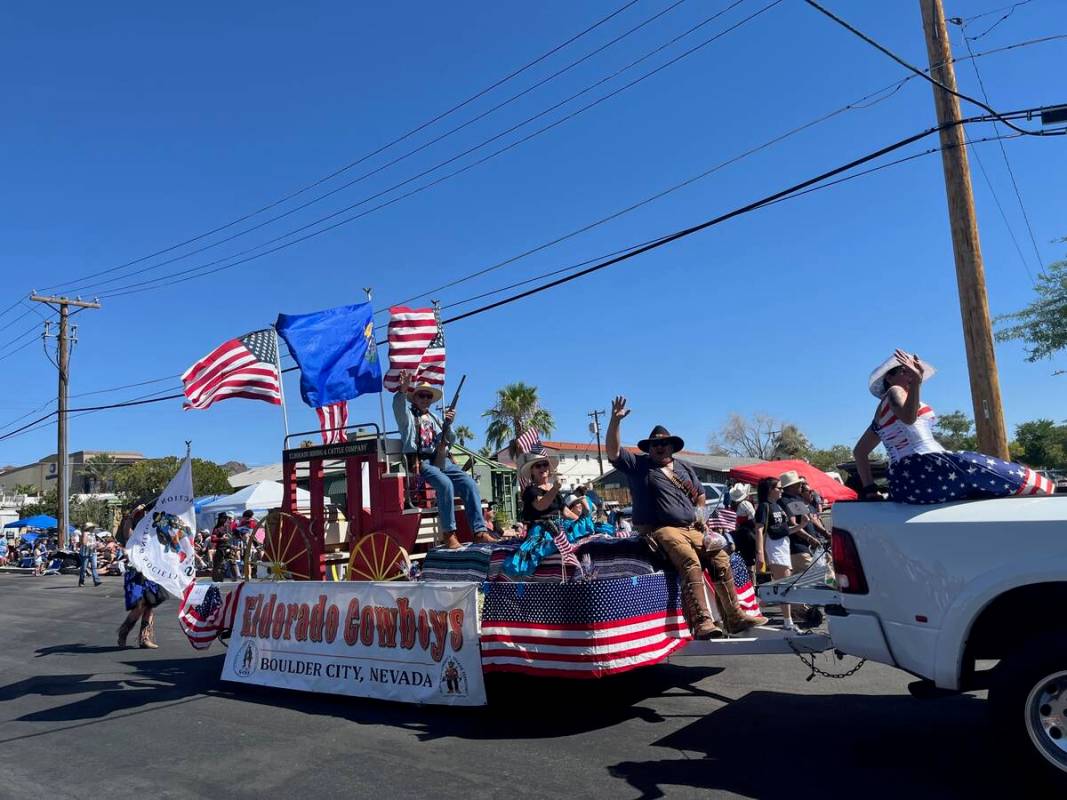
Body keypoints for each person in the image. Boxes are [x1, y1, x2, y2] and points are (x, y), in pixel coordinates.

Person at [605, 396, 766, 639]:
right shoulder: (639, 466)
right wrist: (615, 422)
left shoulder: (685, 468)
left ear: (672, 446)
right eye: (655, 444)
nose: (660, 447)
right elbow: (613, 451)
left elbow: (700, 495)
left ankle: (734, 616)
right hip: (661, 529)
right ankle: (702, 622)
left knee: (720, 558)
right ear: (648, 448)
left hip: (692, 527)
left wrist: (701, 516)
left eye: (665, 443)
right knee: (689, 561)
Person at [854, 350, 1055, 503]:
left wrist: (870, 489)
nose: (910, 375)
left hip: (905, 481)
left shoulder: (882, 415)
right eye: (905, 371)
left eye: (914, 371)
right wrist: (916, 384)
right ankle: (1048, 490)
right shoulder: (895, 391)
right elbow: (908, 418)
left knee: (984, 489)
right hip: (924, 468)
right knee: (1004, 473)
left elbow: (859, 451)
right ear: (889, 378)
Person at [392, 370, 491, 548]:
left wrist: (449, 425)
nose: (425, 399)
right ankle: (449, 534)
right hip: (420, 461)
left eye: (428, 396)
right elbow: (398, 406)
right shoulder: (408, 417)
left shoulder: (436, 419)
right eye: (421, 395)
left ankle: (479, 531)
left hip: (440, 459)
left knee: (469, 483)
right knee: (445, 484)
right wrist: (402, 390)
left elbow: (450, 440)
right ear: (414, 397)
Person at [753, 477, 804, 631]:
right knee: (785, 584)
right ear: (770, 490)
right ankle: (788, 621)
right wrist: (760, 552)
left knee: (783, 584)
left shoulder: (778, 506)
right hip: (773, 547)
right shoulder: (764, 506)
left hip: (784, 546)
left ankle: (754, 606)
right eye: (779, 488)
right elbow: (759, 529)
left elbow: (784, 529)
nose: (781, 490)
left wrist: (802, 524)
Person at [116, 503, 167, 648]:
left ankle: (145, 638)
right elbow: (126, 532)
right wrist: (133, 514)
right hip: (136, 572)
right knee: (140, 606)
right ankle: (123, 632)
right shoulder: (135, 534)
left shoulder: (155, 531)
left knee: (150, 605)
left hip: (151, 572)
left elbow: (166, 532)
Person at [727, 483, 759, 571]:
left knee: (747, 559)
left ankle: (751, 579)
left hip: (743, 533)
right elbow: (753, 518)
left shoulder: (736, 505)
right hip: (748, 533)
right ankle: (753, 579)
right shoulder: (745, 504)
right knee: (751, 559)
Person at [210, 512, 234, 581]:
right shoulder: (216, 528)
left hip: (228, 548)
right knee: (218, 565)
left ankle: (236, 578)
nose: (225, 519)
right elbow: (213, 539)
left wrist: (232, 545)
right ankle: (217, 580)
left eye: (226, 518)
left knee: (233, 562)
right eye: (223, 518)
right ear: (220, 519)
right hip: (220, 549)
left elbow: (231, 537)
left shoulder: (228, 527)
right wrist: (221, 539)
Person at [78, 522, 102, 587]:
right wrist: (93, 545)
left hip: (93, 553)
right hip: (85, 553)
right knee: (84, 568)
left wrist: (97, 544)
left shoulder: (93, 534)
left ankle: (96, 581)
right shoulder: (85, 533)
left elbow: (94, 542)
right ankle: (81, 581)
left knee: (94, 567)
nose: (94, 528)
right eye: (93, 527)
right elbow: (84, 543)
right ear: (89, 528)